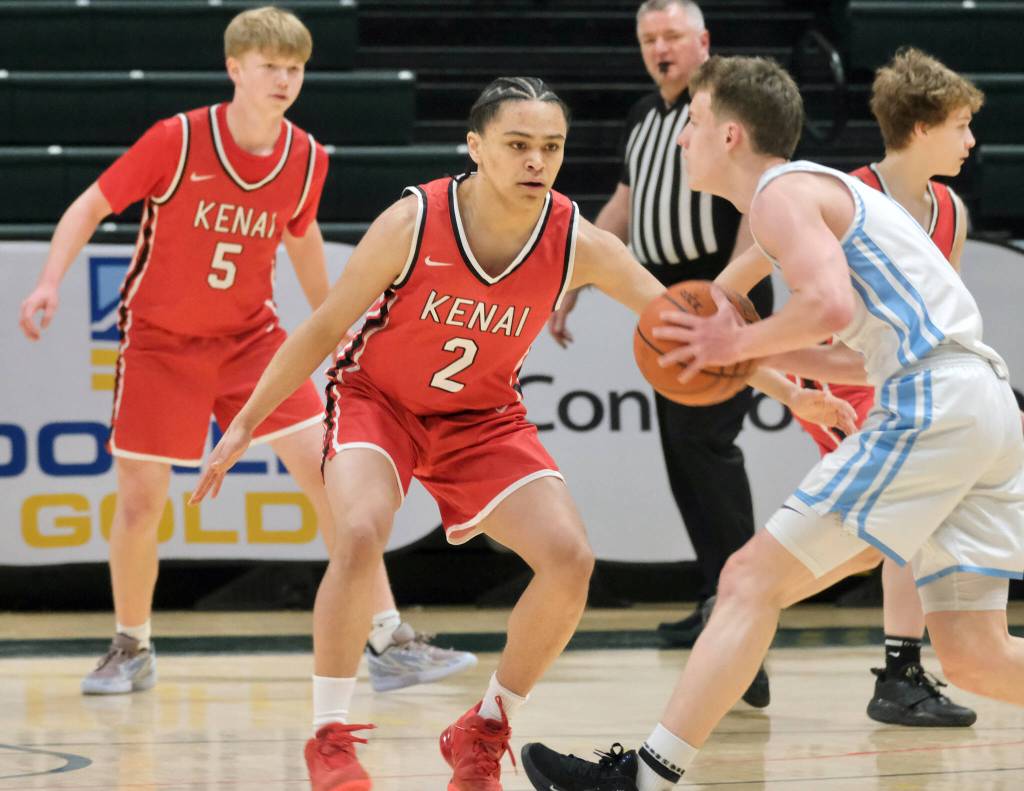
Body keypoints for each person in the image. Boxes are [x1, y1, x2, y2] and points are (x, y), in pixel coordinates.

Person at [188, 75, 855, 791]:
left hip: (481, 417)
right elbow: (322, 328)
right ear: (475, 148)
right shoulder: (414, 220)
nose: (537, 160)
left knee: (570, 559)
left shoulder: (576, 238)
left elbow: (678, 324)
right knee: (357, 530)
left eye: (551, 147)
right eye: (518, 145)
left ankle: (486, 725)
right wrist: (246, 424)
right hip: (378, 400)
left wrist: (788, 391)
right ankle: (329, 738)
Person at [520, 55, 1024, 791]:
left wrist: (736, 344)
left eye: (690, 124)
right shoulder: (822, 192)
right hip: (980, 404)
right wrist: (791, 384)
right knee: (978, 652)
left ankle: (648, 777)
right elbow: (859, 347)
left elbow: (830, 308)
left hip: (937, 404)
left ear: (729, 135)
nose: (679, 139)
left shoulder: (781, 191)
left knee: (748, 576)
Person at [17, 5, 475, 698]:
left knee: (331, 476)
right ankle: (131, 644)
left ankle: (388, 637)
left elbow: (304, 239)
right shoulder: (177, 139)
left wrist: (338, 322)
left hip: (252, 342)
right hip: (160, 342)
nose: (285, 79)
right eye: (271, 66)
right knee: (141, 503)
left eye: (295, 68)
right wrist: (49, 280)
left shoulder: (305, 156)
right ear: (236, 68)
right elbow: (88, 204)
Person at [549, 0, 774, 691]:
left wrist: (729, 301)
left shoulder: (729, 104)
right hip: (663, 296)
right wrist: (574, 277)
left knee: (705, 448)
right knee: (683, 453)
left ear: (703, 40)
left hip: (719, 294)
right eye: (649, 38)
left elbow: (761, 200)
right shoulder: (644, 115)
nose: (660, 47)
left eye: (672, 35)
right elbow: (623, 202)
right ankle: (719, 594)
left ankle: (745, 627)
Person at [784, 48, 981, 727]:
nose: (973, 140)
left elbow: (937, 316)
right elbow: (778, 284)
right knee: (905, 516)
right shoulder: (840, 195)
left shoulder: (950, 209)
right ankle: (899, 671)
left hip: (901, 378)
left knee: (877, 537)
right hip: (839, 372)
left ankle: (742, 604)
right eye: (960, 124)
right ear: (922, 128)